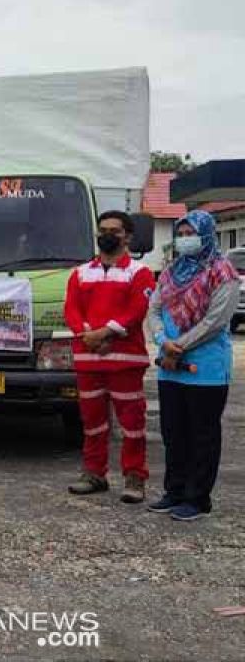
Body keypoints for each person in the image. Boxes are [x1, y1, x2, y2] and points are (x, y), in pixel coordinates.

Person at [146, 210, 240, 521]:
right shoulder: (172, 270)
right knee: (173, 432)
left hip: (206, 367)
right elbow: (154, 308)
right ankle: (174, 491)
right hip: (169, 363)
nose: (185, 239)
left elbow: (216, 321)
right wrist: (162, 341)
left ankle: (197, 498)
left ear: (207, 234)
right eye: (181, 233)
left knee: (202, 433)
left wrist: (180, 346)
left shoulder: (222, 272)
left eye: (191, 233)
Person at [64, 211, 155, 503]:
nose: (108, 235)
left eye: (115, 231)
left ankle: (134, 477)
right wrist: (88, 335)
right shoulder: (80, 273)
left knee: (132, 424)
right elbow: (72, 310)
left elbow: (136, 311)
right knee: (92, 422)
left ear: (128, 236)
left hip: (125, 360)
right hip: (89, 359)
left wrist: (105, 333)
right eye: (103, 230)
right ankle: (94, 473)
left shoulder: (139, 272)